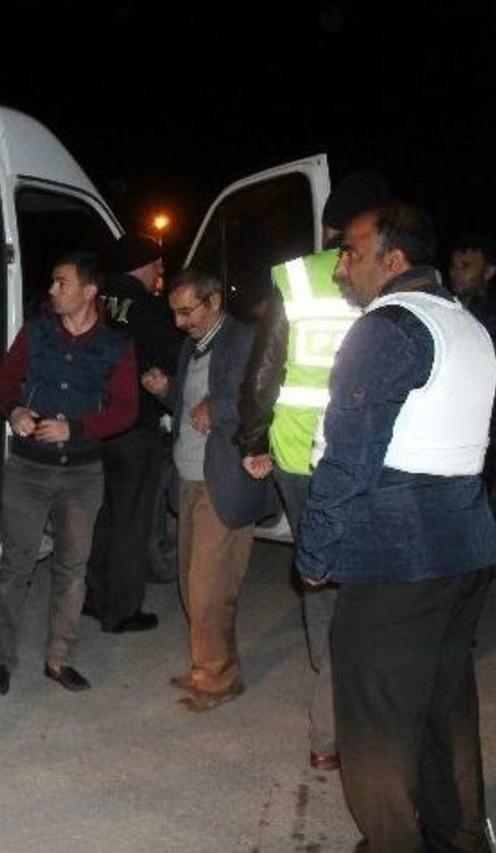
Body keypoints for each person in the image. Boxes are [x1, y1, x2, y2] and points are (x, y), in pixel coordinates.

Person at [297, 202, 496, 852]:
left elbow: (350, 453)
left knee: (376, 723)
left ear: (394, 259)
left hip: (397, 554)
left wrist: (316, 551)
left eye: (352, 253)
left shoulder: (389, 327)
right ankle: (459, 837)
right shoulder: (466, 323)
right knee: (444, 708)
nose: (340, 269)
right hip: (464, 545)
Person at [236, 170, 390, 768]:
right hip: (366, 454)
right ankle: (357, 709)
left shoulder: (296, 277)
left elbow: (263, 367)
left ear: (328, 227)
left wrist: (253, 439)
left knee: (317, 573)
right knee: (365, 581)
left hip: (297, 452)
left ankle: (327, 708)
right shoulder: (389, 273)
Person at [0, 251, 138, 696]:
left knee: (72, 570)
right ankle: (1, 661)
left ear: (89, 291)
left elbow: (127, 409)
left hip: (82, 475)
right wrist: (14, 410)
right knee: (16, 566)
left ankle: (59, 659)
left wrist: (77, 428)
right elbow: (5, 382)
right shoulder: (36, 332)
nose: (52, 290)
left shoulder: (116, 345)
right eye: (52, 282)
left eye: (61, 283)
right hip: (29, 469)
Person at [141, 268, 268, 712]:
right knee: (190, 582)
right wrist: (167, 392)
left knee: (210, 587)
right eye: (174, 313)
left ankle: (217, 679)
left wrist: (219, 406)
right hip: (189, 477)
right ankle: (207, 665)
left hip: (223, 479)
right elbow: (188, 407)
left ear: (214, 302)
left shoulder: (245, 339)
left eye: (186, 311)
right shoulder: (192, 346)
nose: (179, 322)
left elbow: (263, 397)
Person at [83, 232, 181, 634]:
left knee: (101, 515)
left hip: (92, 424)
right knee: (132, 519)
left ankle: (92, 596)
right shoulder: (151, 308)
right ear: (143, 264)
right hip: (135, 428)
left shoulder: (93, 300)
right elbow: (170, 360)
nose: (162, 269)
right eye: (157, 261)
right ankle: (121, 610)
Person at [448, 233, 496, 331]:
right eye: (453, 265)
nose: (454, 273)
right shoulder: (446, 300)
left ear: (488, 272)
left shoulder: (491, 315)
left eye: (465, 266)